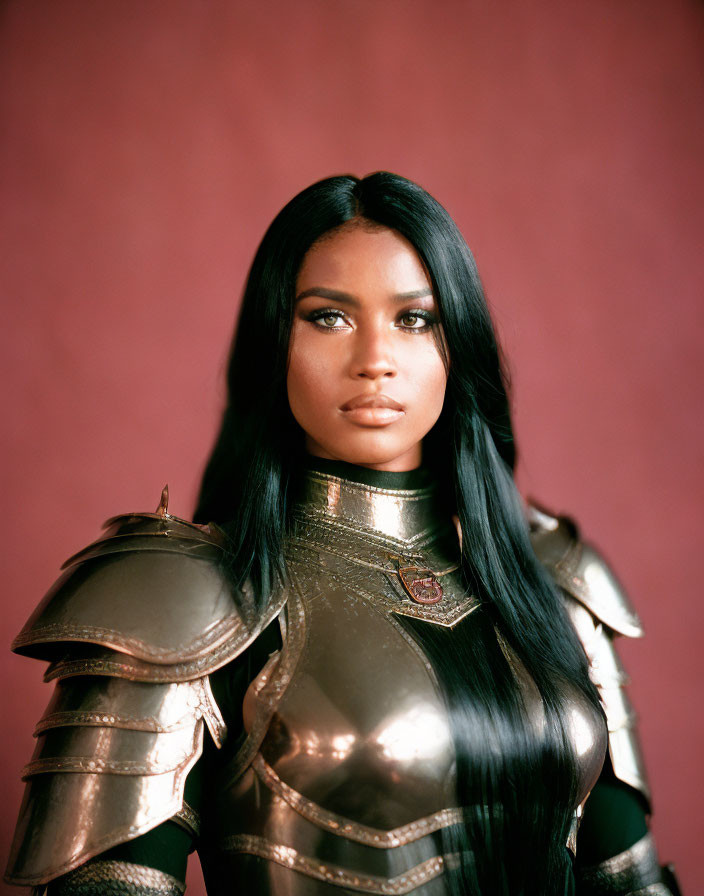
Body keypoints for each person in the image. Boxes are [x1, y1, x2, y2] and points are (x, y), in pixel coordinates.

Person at [5, 173, 680, 896]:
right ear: (276, 341)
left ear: (461, 343)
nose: (375, 358)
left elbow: (629, 879)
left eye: (415, 319)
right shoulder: (187, 598)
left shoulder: (560, 585)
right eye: (329, 318)